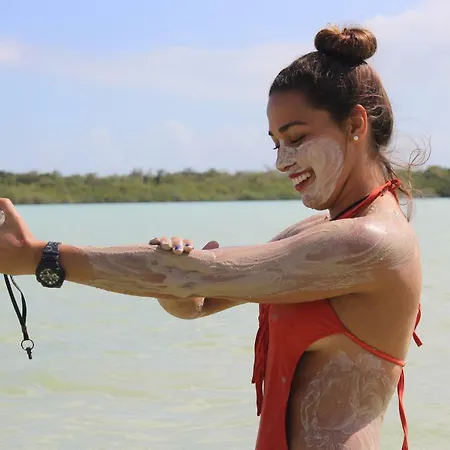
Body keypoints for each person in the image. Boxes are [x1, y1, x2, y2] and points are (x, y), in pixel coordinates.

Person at [0, 25, 423, 450]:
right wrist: (178, 280)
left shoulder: (372, 242)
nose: (282, 162)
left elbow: (191, 277)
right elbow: (195, 303)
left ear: (355, 124)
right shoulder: (313, 232)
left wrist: (39, 257)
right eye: (276, 143)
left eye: (296, 138)